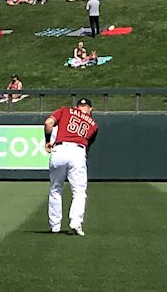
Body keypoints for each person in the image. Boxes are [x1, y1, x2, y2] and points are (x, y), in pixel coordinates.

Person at [45, 97, 99, 235]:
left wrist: (47, 141)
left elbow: (48, 123)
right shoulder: (93, 124)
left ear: (76, 107)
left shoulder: (64, 110)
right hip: (78, 151)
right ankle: (76, 222)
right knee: (79, 191)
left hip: (60, 149)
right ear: (90, 109)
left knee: (55, 188)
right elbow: (88, 146)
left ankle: (55, 226)